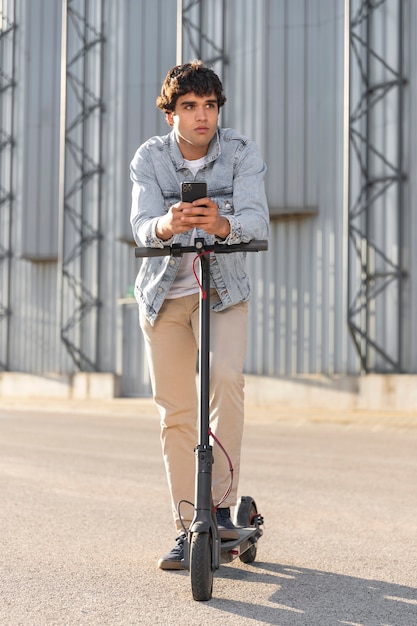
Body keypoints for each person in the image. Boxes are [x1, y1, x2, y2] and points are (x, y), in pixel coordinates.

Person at [130, 60, 269, 570]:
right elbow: (141, 224)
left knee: (226, 379)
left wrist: (224, 222)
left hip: (222, 290)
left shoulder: (240, 152)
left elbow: (255, 219)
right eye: (189, 107)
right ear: (171, 114)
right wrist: (167, 225)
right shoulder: (149, 158)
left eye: (209, 106)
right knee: (176, 412)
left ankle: (222, 508)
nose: (202, 117)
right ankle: (189, 525)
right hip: (164, 296)